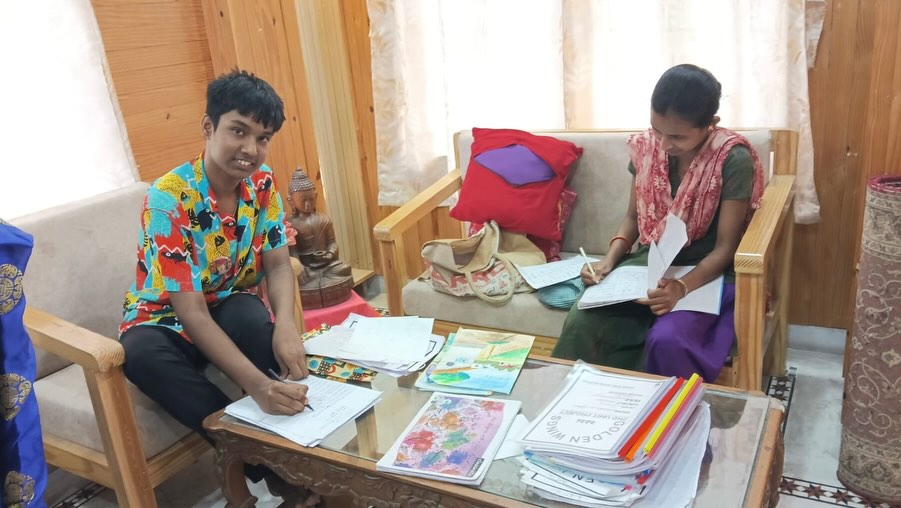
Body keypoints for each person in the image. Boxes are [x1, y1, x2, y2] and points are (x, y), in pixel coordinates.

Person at [119, 70, 319, 507]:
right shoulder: (168, 198)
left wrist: (287, 326)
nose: (250, 149)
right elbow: (190, 312)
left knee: (250, 316)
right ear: (209, 127)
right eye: (238, 131)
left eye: (262, 137)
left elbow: (280, 265)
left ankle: (314, 453)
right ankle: (265, 467)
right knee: (139, 354)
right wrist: (258, 388)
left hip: (227, 303)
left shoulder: (263, 184)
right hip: (165, 318)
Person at [552, 64, 765, 382]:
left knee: (669, 340)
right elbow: (633, 218)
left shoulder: (732, 159)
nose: (664, 144)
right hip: (652, 263)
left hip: (709, 272)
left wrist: (680, 288)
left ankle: (664, 422)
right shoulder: (646, 149)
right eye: (657, 130)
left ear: (711, 125)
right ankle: (592, 411)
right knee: (585, 322)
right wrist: (607, 262)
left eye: (678, 136)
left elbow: (726, 248)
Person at [286, 168, 354, 309]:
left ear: (316, 196)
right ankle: (314, 279)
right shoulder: (291, 224)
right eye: (303, 200)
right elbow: (293, 252)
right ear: (291, 201)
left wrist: (329, 254)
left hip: (327, 265)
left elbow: (332, 243)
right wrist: (301, 268)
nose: (307, 204)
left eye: (311, 199)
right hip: (307, 268)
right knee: (299, 278)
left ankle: (321, 279)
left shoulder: (324, 219)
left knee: (345, 268)